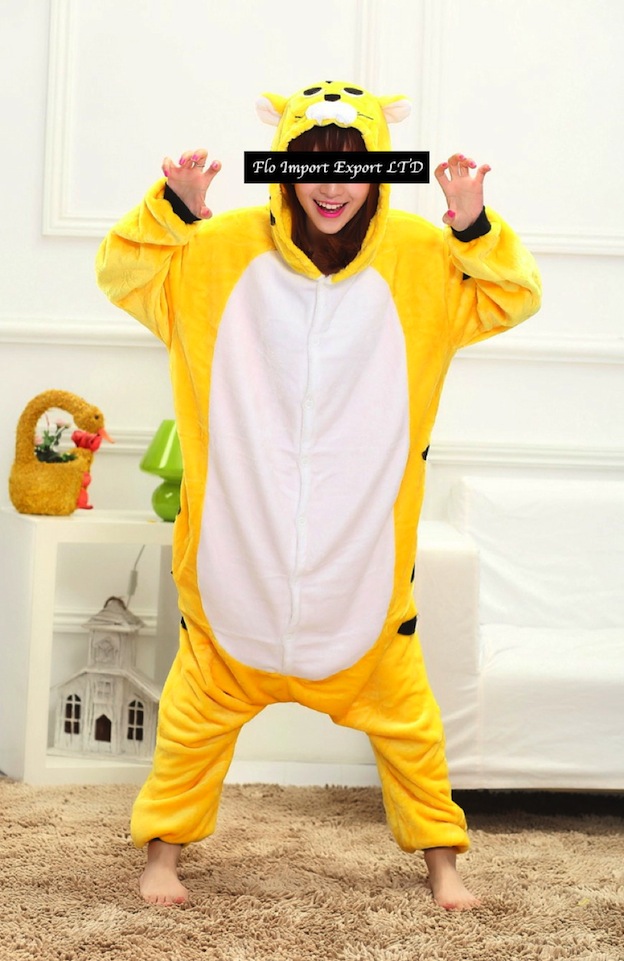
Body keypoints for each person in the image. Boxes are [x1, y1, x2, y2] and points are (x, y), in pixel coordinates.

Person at [96, 80, 541, 911]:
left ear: (380, 172)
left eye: (353, 168)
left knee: (413, 733)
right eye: (312, 166)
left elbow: (512, 295)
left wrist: (472, 224)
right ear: (283, 168)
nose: (332, 187)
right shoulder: (220, 251)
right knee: (191, 728)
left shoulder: (420, 257)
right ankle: (162, 854)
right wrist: (175, 209)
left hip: (359, 584)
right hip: (237, 572)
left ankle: (445, 866)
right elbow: (125, 275)